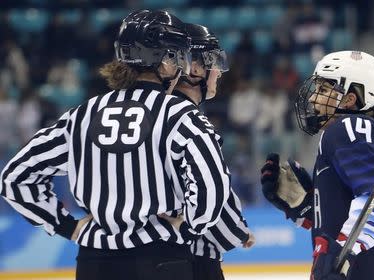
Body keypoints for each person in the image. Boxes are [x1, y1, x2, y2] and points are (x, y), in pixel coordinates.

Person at [0, 10, 231, 280]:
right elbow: (212, 186)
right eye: (178, 57)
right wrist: (191, 227)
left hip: (93, 264)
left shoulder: (82, 115)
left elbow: (15, 178)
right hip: (161, 260)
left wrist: (66, 226)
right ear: (166, 63)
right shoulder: (180, 115)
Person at [261, 51, 374, 280]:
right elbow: (350, 213)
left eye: (324, 90)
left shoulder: (350, 127)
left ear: (350, 99)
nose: (314, 98)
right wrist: (304, 206)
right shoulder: (359, 133)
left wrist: (341, 254)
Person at [161, 23, 255, 280]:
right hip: (191, 258)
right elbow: (211, 192)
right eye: (213, 63)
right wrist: (238, 232)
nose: (219, 73)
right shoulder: (190, 121)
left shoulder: (148, 114)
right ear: (193, 69)